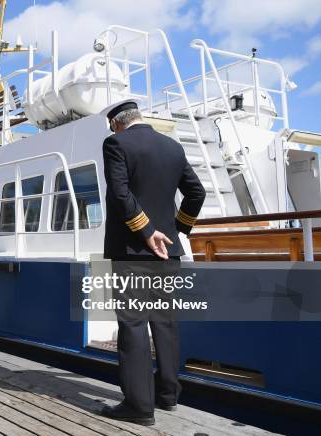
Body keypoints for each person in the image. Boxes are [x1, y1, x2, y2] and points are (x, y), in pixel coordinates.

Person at [100, 100, 206, 426]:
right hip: (168, 254)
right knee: (165, 323)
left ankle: (139, 406)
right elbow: (196, 193)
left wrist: (147, 232)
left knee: (132, 326)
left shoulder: (116, 143)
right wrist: (176, 230)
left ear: (117, 123)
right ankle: (168, 395)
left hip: (133, 253)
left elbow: (120, 194)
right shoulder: (172, 147)